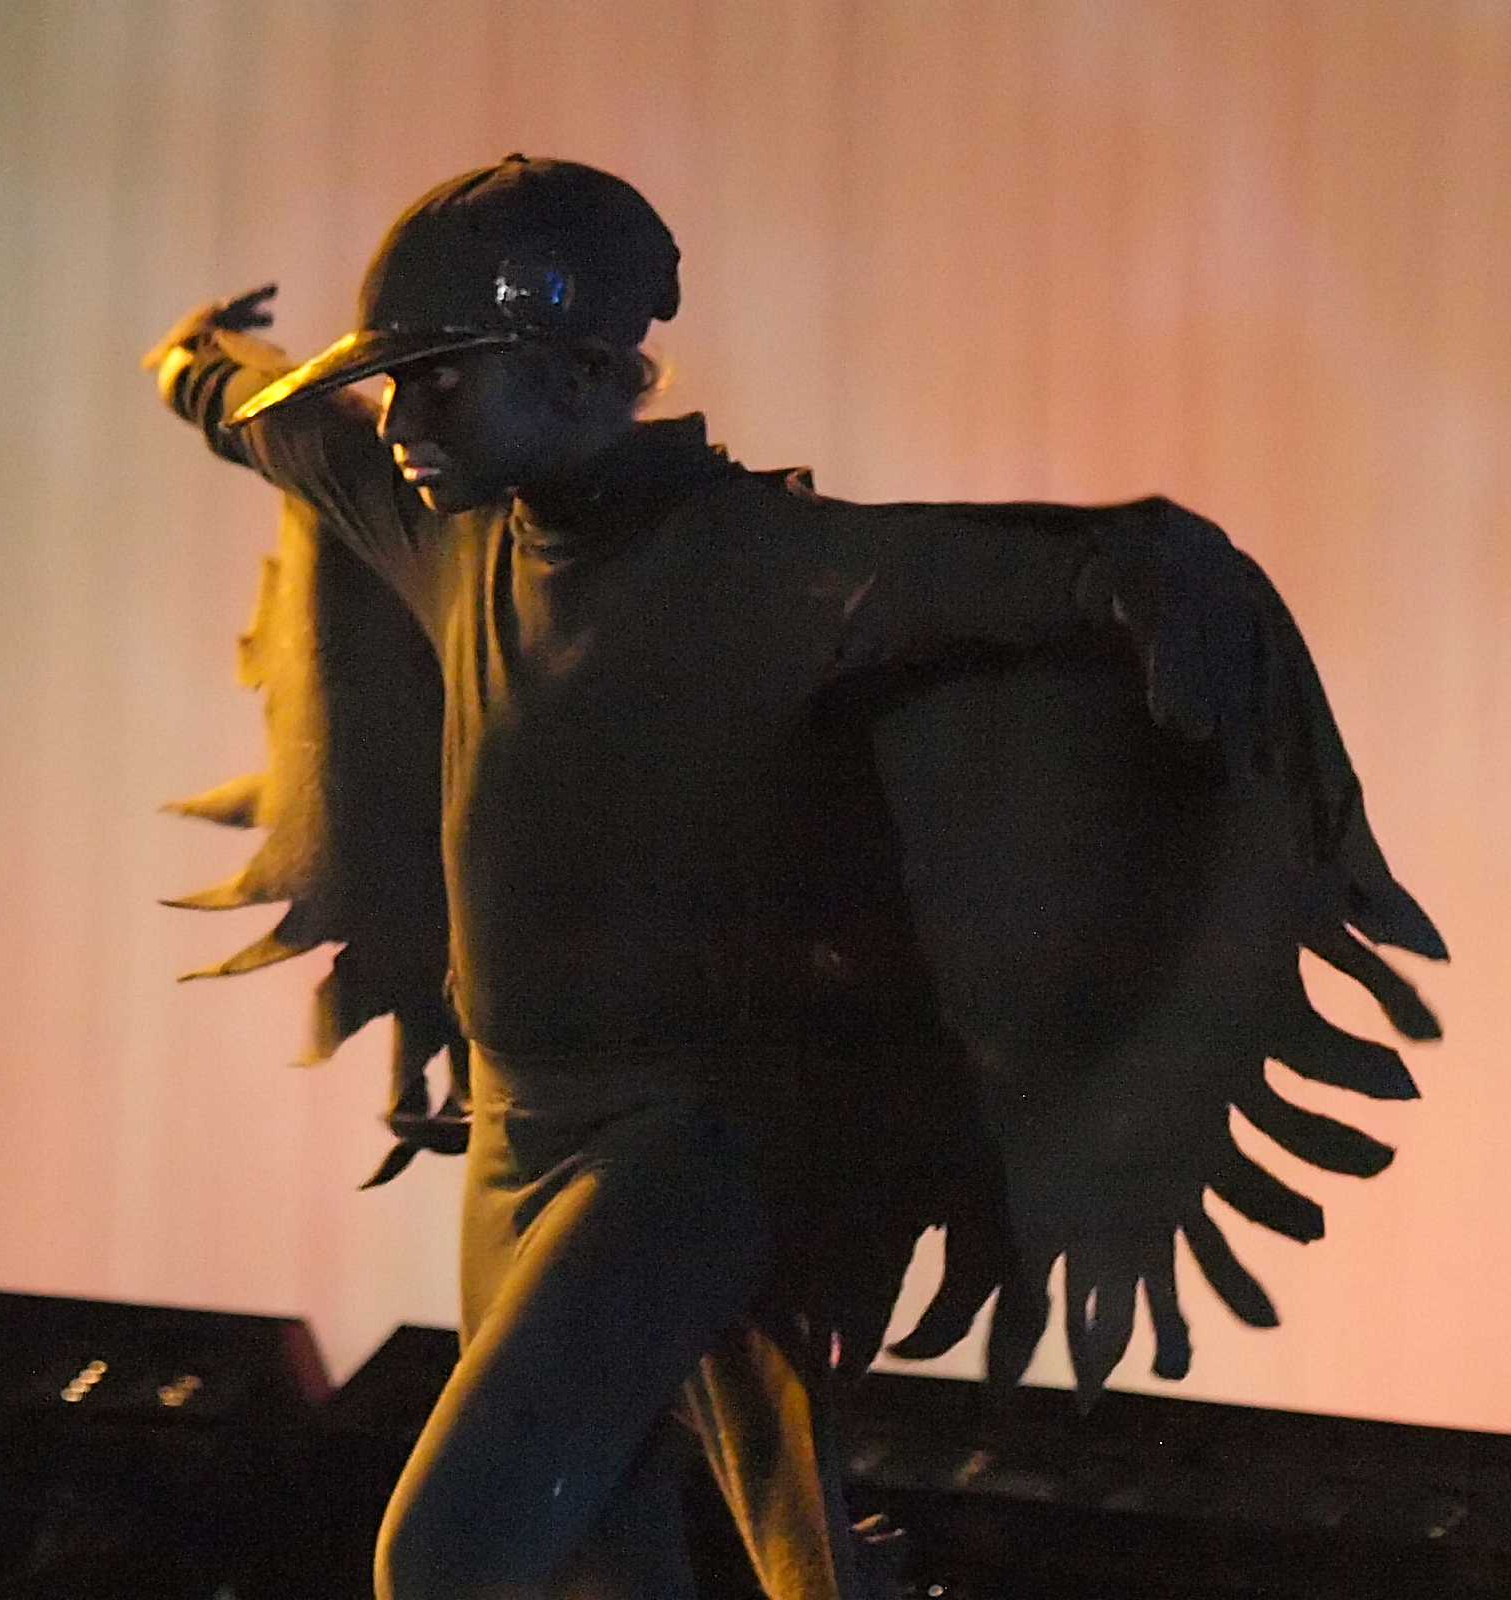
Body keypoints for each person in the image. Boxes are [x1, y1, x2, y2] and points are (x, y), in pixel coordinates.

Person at [146, 156, 1444, 1600]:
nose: (399, 420)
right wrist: (198, 364)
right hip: (518, 1143)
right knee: (604, 1572)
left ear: (580, 378)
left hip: (687, 1148)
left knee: (450, 1555)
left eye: (441, 381)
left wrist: (1158, 593)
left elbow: (1044, 575)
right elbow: (285, 429)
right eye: (395, 383)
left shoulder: (760, 567)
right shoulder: (448, 540)